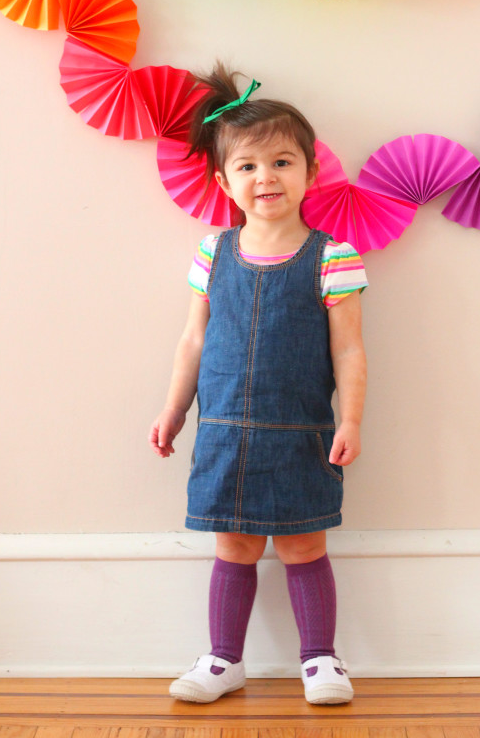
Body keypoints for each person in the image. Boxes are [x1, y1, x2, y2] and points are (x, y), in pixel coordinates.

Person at [149, 63, 368, 706]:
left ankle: (321, 660)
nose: (265, 177)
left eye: (281, 162)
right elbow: (193, 340)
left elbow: (350, 349)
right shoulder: (212, 253)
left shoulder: (334, 256)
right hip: (221, 429)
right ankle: (222, 660)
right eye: (247, 166)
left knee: (303, 544)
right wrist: (173, 409)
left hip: (302, 430)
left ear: (309, 172)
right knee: (234, 544)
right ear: (224, 181)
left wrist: (351, 418)